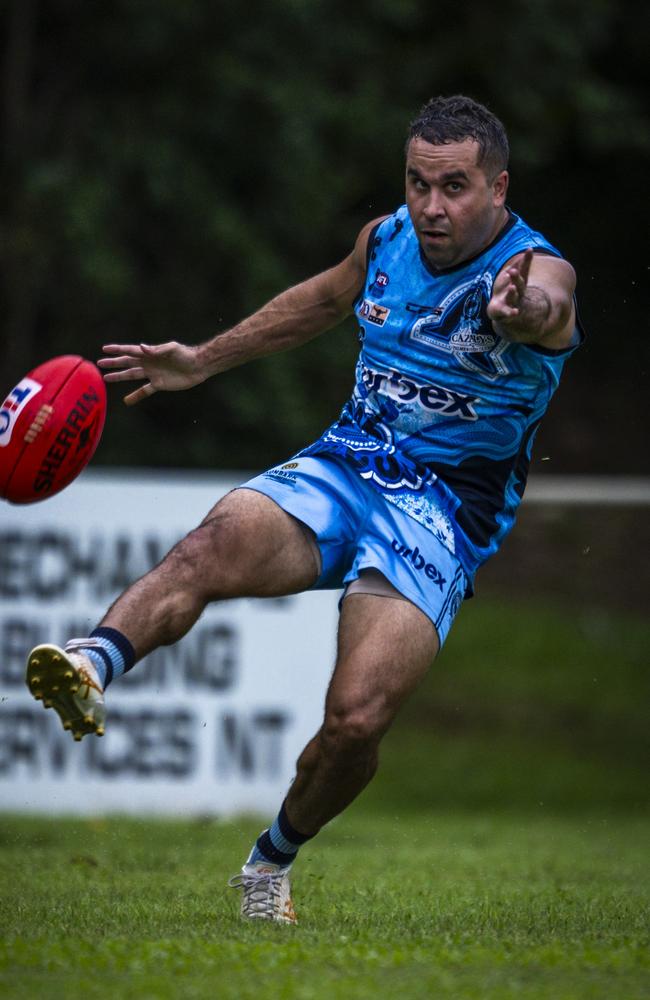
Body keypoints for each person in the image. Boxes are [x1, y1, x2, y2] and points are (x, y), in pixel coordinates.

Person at [25, 95, 582, 925]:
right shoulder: (386, 240)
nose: (431, 206)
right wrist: (201, 362)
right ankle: (92, 664)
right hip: (346, 464)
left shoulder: (536, 269)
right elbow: (322, 302)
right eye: (418, 182)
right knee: (210, 546)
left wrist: (521, 313)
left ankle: (270, 861)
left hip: (438, 514)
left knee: (355, 721)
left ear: (498, 188)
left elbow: (553, 309)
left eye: (455, 186)